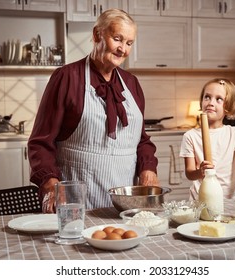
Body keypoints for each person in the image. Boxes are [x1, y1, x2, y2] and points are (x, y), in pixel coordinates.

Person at [28, 9, 159, 213]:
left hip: (125, 205)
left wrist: (148, 168)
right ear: (97, 34)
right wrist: (50, 183)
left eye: (129, 43)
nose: (122, 49)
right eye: (117, 39)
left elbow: (141, 139)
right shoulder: (67, 78)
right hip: (78, 202)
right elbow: (41, 142)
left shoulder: (132, 84)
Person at [179, 78, 235, 205]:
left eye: (218, 99)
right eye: (207, 97)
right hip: (200, 202)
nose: (210, 102)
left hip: (229, 200)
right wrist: (200, 171)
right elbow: (190, 173)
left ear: (228, 106)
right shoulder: (190, 136)